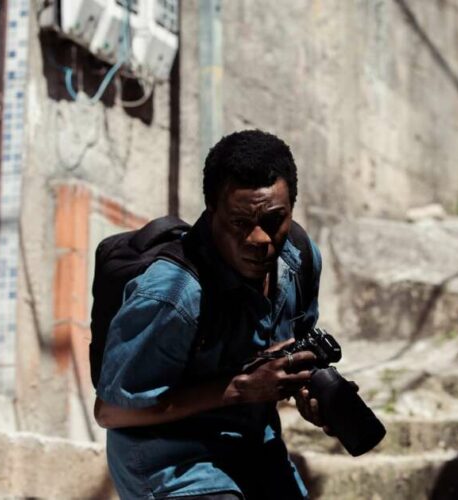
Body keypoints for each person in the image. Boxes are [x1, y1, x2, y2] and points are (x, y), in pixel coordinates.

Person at [95, 130, 328, 499]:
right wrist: (240, 388)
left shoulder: (299, 259)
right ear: (212, 212)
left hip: (252, 443)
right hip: (166, 456)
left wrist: (306, 389)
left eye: (273, 220)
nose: (259, 239)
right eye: (239, 223)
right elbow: (110, 412)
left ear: (291, 210)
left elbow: (290, 345)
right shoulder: (173, 295)